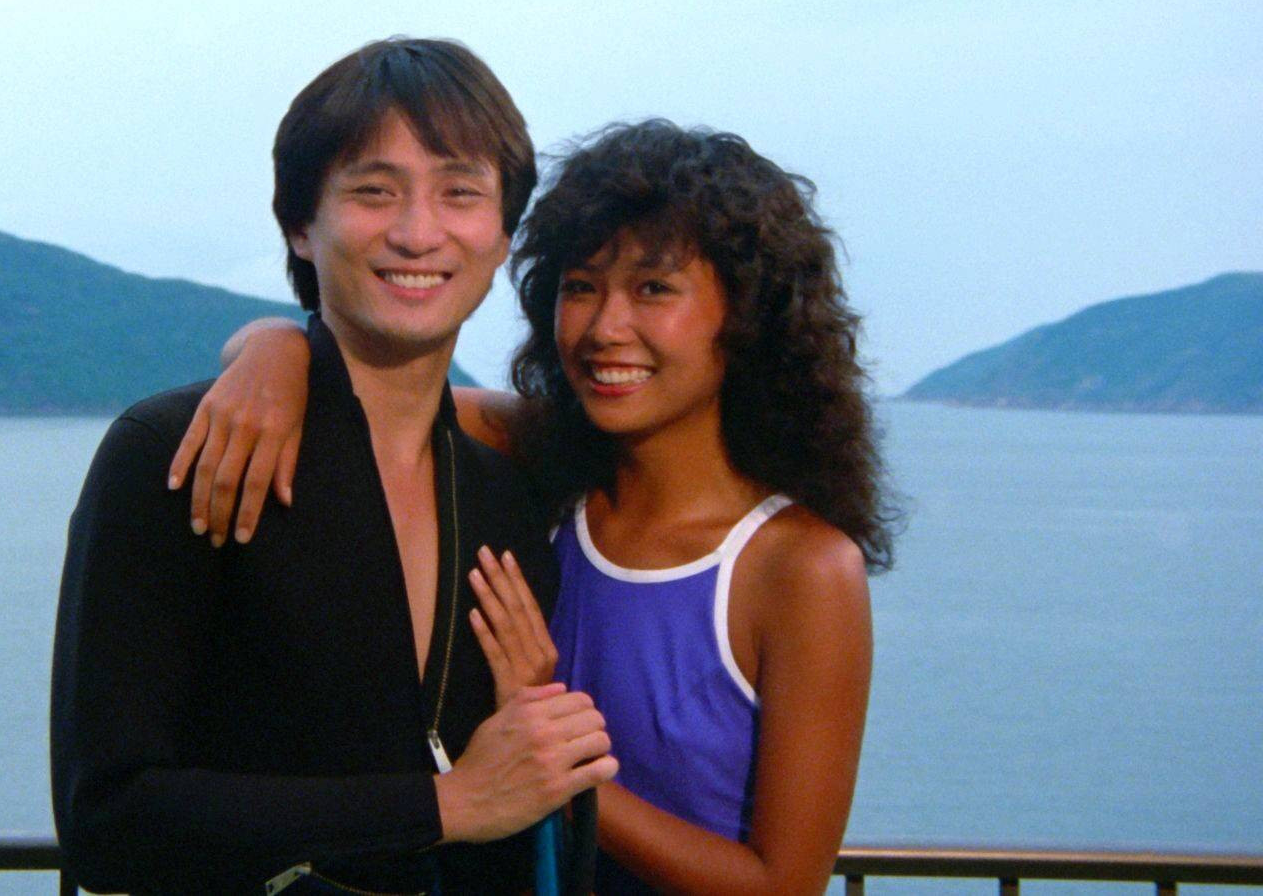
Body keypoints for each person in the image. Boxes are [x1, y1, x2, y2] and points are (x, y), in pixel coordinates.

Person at [170, 120, 894, 894]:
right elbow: (361, 394)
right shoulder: (540, 464)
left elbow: (782, 885)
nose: (605, 328)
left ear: (748, 316)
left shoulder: (800, 567)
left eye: (653, 289)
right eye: (581, 287)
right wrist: (274, 347)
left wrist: (555, 760)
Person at [51, 37, 617, 895]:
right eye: (373, 191)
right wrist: (443, 804)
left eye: (460, 192)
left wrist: (527, 725)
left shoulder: (503, 494)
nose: (417, 232)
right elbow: (107, 823)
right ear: (299, 225)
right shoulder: (179, 452)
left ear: (503, 234)